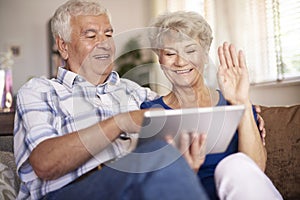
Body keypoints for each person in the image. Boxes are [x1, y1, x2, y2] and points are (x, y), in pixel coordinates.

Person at [13, 1, 211, 199]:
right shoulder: (40, 91)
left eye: (108, 34)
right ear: (63, 46)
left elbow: (181, 118)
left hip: (132, 188)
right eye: (91, 35)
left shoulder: (137, 93)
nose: (105, 43)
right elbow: (45, 163)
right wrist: (120, 122)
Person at [141, 11, 283, 200]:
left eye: (190, 51)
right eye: (170, 53)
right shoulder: (151, 112)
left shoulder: (234, 103)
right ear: (160, 59)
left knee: (235, 164)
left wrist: (242, 103)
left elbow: (256, 170)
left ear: (205, 55)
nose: (181, 61)